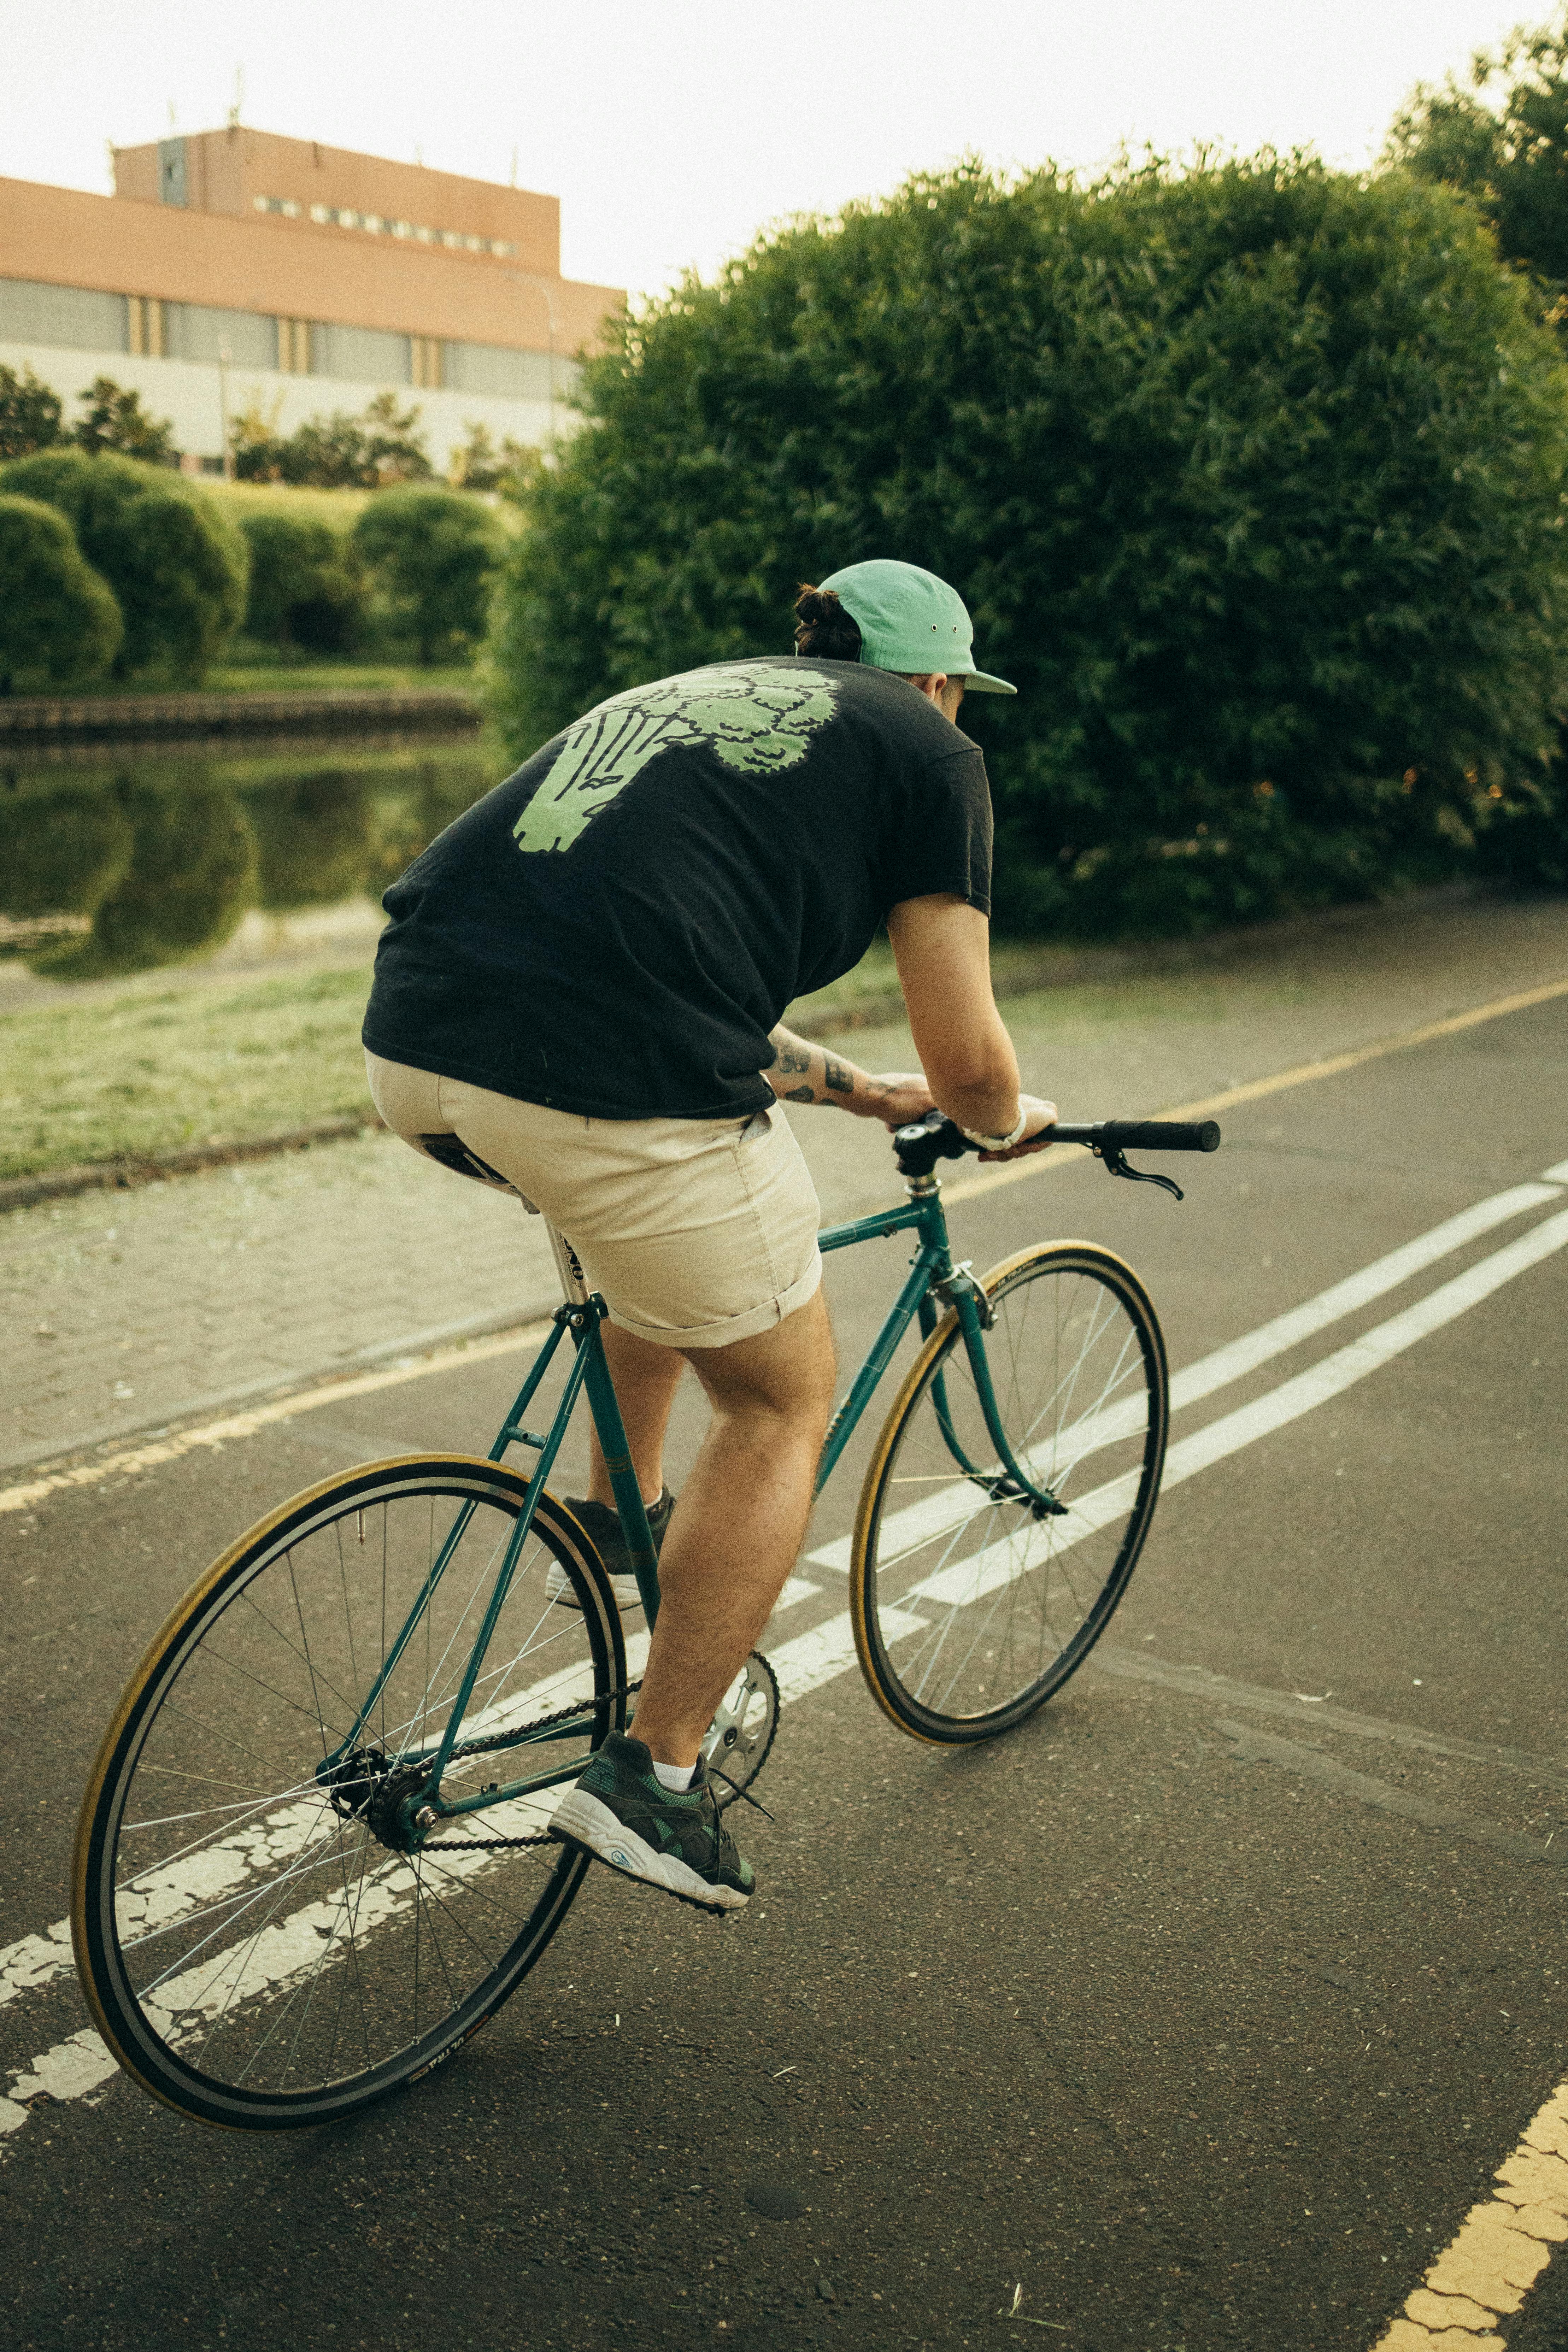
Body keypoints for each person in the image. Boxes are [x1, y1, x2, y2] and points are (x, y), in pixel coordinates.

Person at [361, 557, 1056, 1915]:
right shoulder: (932, 754)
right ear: (933, 679)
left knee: (664, 1252)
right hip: (605, 1081)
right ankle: (656, 1778)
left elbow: (650, 954)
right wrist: (990, 1116)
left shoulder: (699, 699)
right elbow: (970, 1053)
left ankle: (623, 1515)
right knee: (785, 1396)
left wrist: (862, 1095)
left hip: (416, 1053)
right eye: (960, 694)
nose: (958, 716)